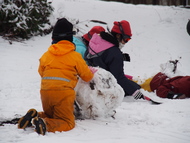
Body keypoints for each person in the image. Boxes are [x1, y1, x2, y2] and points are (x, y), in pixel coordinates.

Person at [17, 18, 95, 135]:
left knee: (51, 115)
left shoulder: (46, 55)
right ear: (70, 38)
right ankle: (45, 124)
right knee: (67, 122)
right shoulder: (75, 56)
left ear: (53, 38)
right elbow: (87, 77)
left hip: (45, 93)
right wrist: (91, 71)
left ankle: (35, 115)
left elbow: (41, 72)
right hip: (63, 94)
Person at [85, 20, 144, 99]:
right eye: (126, 39)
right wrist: (135, 92)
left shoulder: (95, 41)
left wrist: (119, 57)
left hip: (88, 80)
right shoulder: (114, 53)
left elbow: (98, 57)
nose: (125, 42)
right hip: (104, 86)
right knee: (135, 86)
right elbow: (118, 77)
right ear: (118, 36)